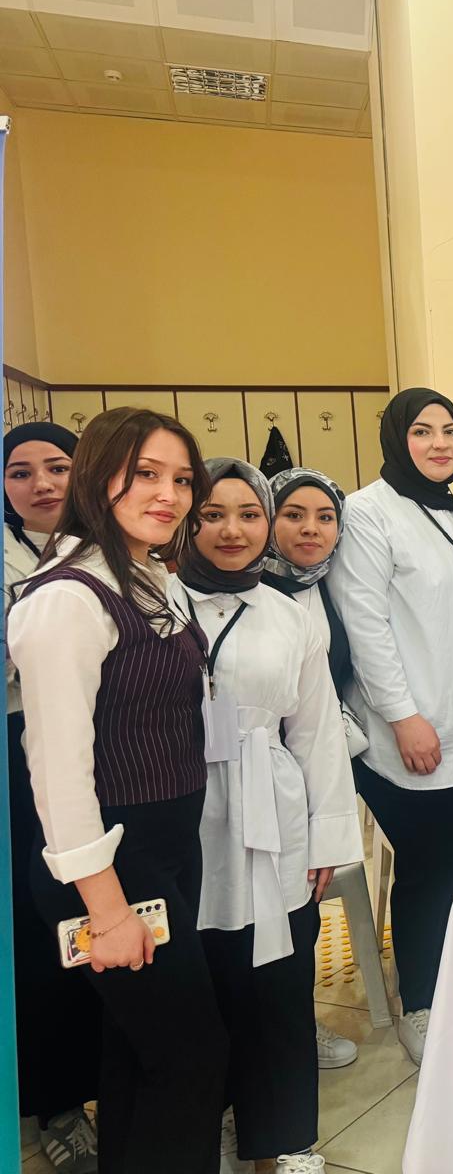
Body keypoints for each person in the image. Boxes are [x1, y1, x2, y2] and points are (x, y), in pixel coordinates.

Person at [10, 407, 229, 1173]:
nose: (169, 495)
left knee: (139, 1052)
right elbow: (57, 772)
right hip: (112, 866)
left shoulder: (144, 574)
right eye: (145, 475)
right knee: (192, 1057)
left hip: (164, 850)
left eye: (181, 479)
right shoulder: (65, 599)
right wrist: (106, 912)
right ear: (97, 477)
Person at [179, 458, 361, 1174]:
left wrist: (327, 836)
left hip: (271, 807)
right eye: (213, 514)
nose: (232, 530)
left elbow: (316, 733)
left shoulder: (289, 615)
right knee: (199, 980)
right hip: (182, 806)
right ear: (187, 520)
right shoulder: (156, 602)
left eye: (249, 514)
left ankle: (284, 1138)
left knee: (277, 982)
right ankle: (219, 1120)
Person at [327, 389, 453, 1066]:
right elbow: (366, 625)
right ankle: (422, 1006)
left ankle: (450, 985)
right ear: (396, 439)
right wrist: (403, 716)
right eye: (423, 431)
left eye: (450, 431)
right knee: (428, 873)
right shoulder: (368, 514)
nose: (439, 443)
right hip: (409, 733)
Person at [3, 422, 102, 1172]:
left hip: (109, 746)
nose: (41, 484)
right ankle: (57, 1101)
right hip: (21, 752)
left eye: (58, 466)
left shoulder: (110, 547)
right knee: (44, 927)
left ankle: (111, 1077)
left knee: (112, 919)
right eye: (19, 472)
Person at [261, 465, 362, 1076]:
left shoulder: (327, 587)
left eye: (325, 518)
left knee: (302, 908)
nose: (311, 529)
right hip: (258, 772)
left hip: (314, 768)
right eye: (293, 515)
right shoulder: (250, 588)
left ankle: (297, 1026)